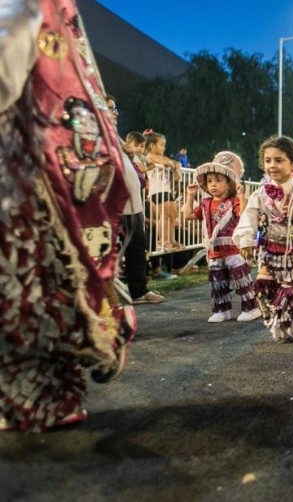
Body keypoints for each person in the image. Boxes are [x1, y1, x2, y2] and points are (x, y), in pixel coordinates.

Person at [1, 0, 133, 431]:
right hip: (28, 170)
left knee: (32, 286)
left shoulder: (29, 8)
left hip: (26, 170)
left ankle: (50, 387)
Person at [233, 135, 293, 341]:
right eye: (268, 161)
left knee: (290, 290)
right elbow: (248, 217)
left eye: (279, 160)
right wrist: (246, 240)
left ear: (292, 163)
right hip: (268, 250)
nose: (272, 165)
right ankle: (278, 321)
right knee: (264, 286)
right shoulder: (260, 194)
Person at [182, 154, 260, 323]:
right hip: (214, 252)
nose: (213, 185)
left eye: (218, 180)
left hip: (233, 249)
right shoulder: (205, 203)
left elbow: (244, 214)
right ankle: (221, 310)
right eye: (209, 181)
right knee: (218, 283)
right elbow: (187, 215)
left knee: (242, 280)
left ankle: (251, 307)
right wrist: (190, 195)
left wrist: (241, 196)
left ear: (229, 183)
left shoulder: (233, 202)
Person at [106, 99, 164, 305]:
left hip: (134, 204)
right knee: (107, 252)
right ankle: (107, 299)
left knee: (137, 248)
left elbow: (145, 162)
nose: (115, 112)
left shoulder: (115, 135)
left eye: (115, 108)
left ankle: (139, 292)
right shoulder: (98, 134)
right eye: (109, 107)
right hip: (112, 205)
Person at [144, 130, 183, 252]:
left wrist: (176, 167)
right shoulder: (149, 156)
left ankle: (171, 240)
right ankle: (162, 241)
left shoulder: (161, 157)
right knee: (164, 214)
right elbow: (166, 162)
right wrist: (171, 164)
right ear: (152, 145)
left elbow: (175, 163)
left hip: (166, 189)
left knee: (173, 213)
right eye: (161, 145)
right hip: (157, 189)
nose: (164, 147)